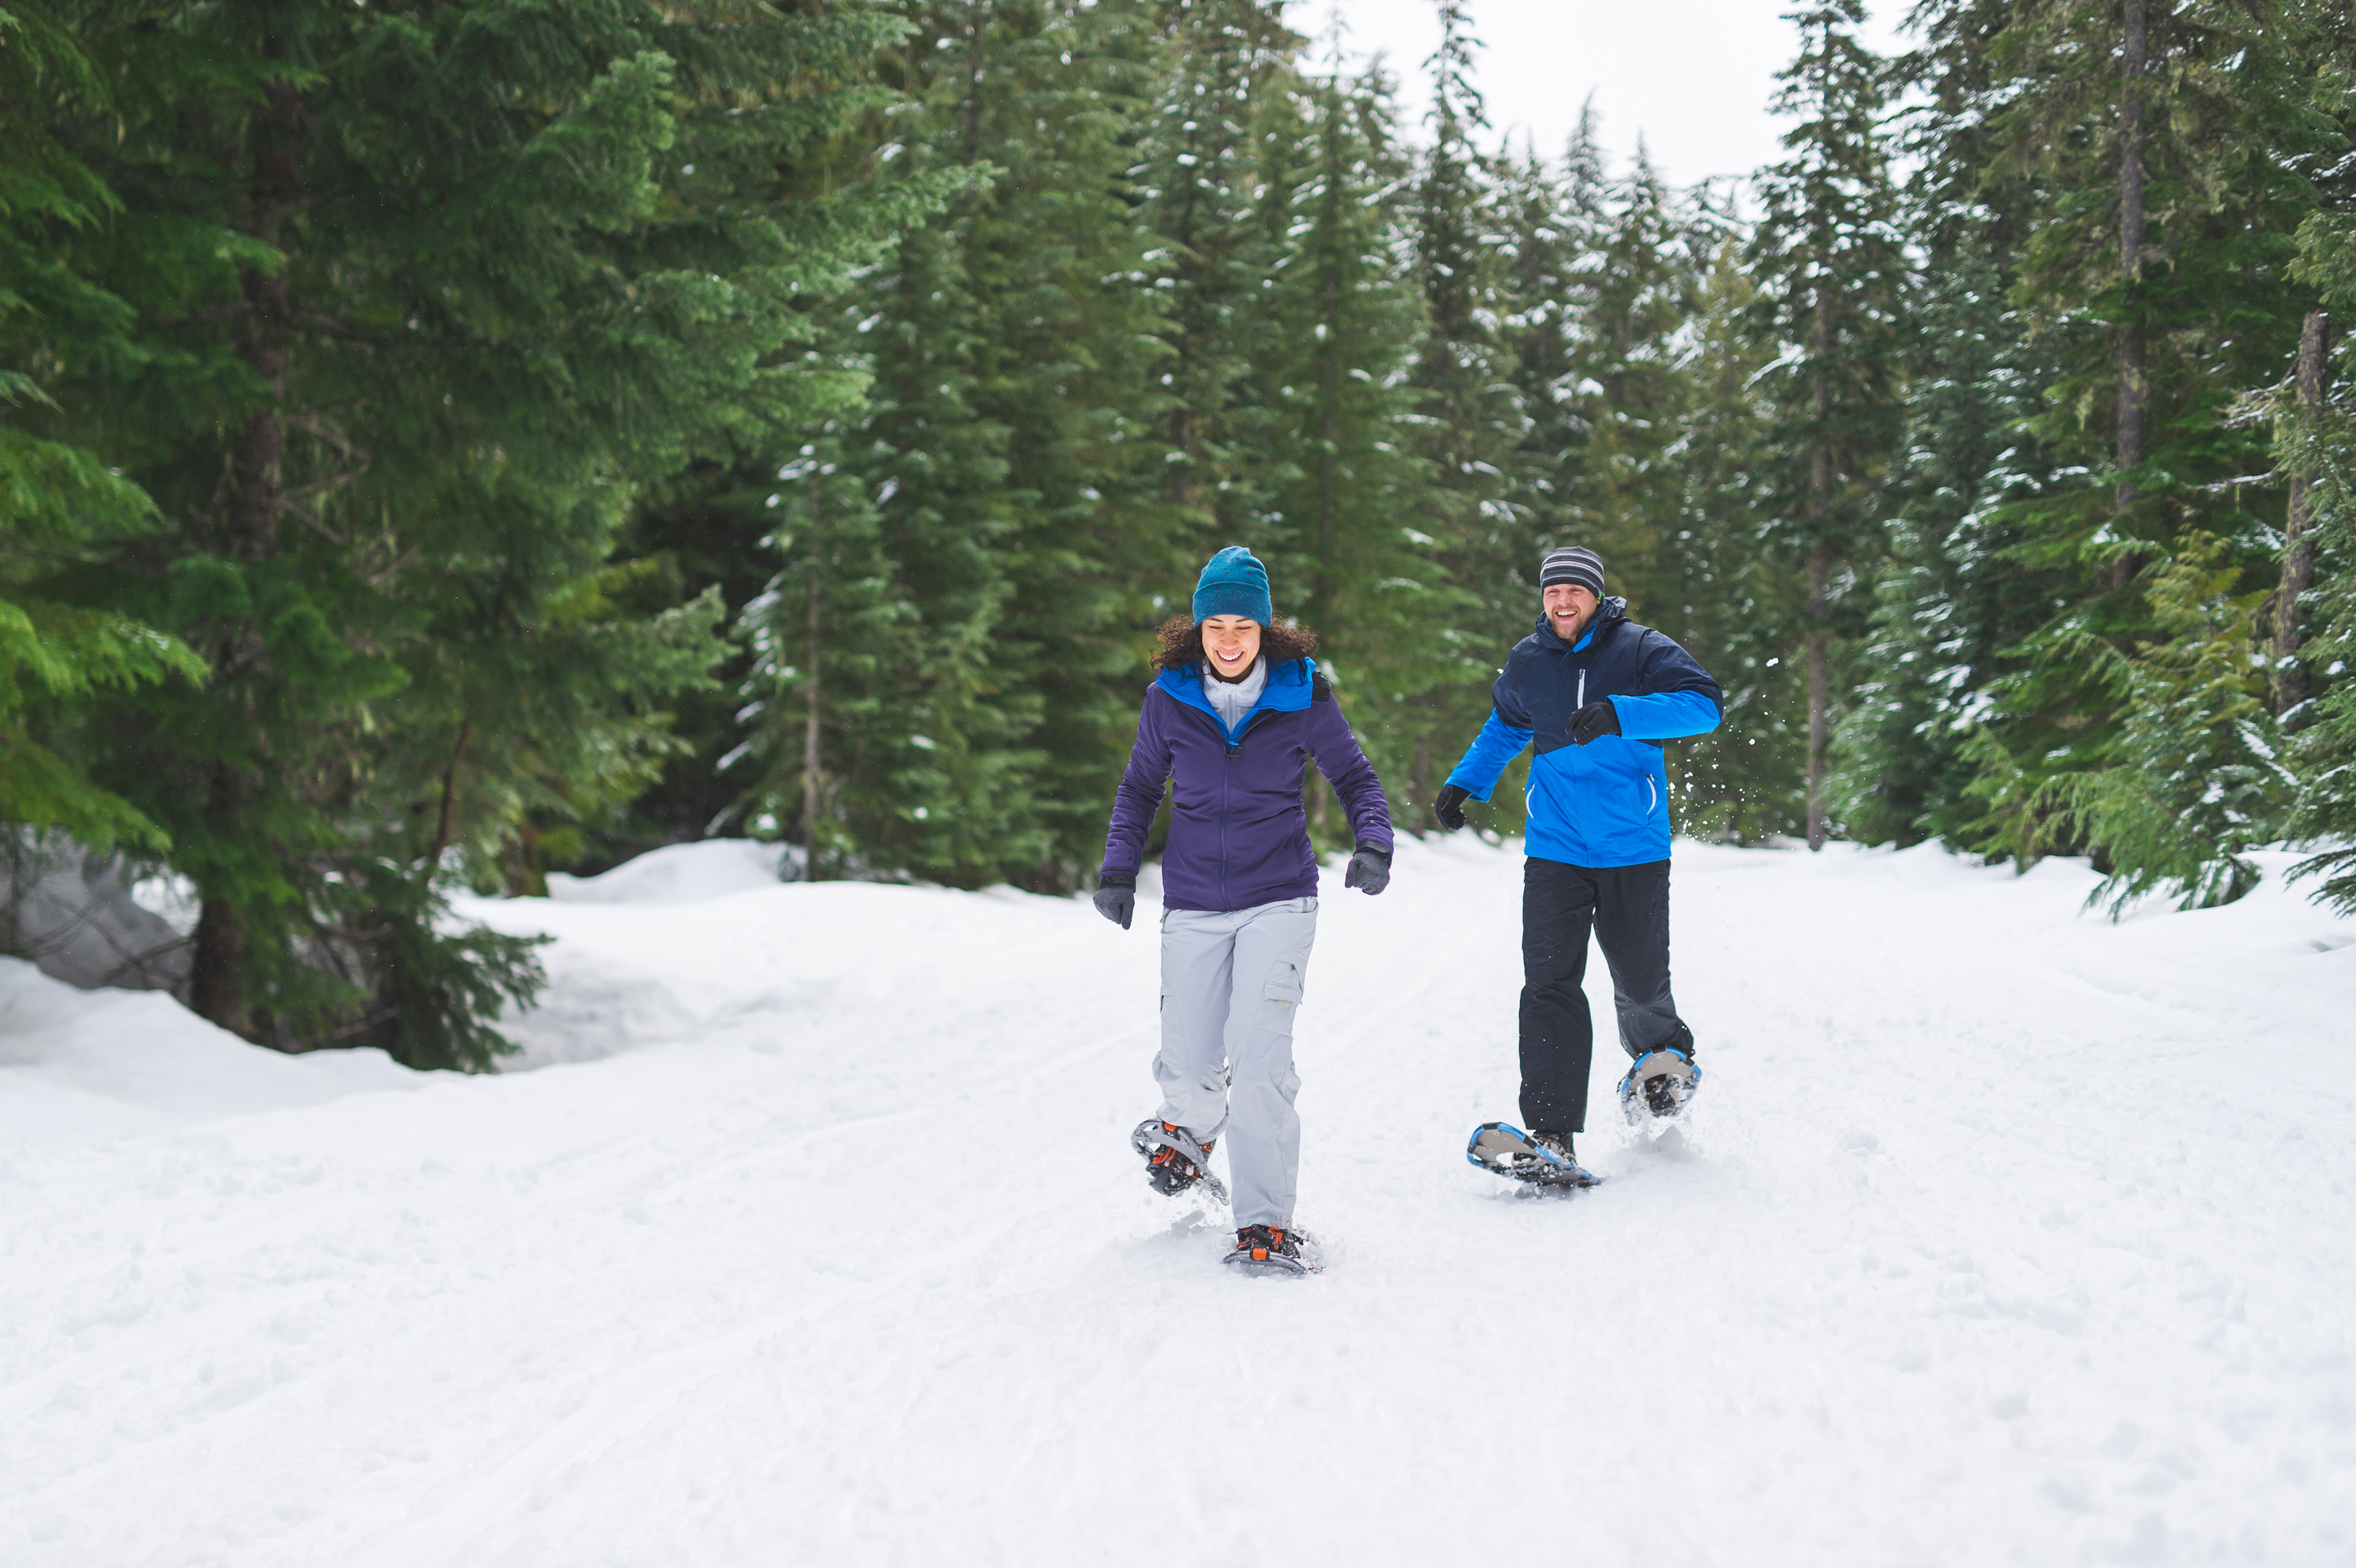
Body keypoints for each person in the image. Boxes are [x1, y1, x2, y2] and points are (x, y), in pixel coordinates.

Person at [1093, 545, 1393, 1273]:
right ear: (1198, 630)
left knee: (1259, 1061)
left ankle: (1265, 1222)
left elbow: (1355, 776)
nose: (1229, 641)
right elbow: (1139, 788)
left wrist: (1374, 843)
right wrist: (1118, 869)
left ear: (1266, 630)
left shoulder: (1302, 695)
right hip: (1193, 899)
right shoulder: (1169, 697)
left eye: (1244, 627)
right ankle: (1192, 1132)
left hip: (1280, 898)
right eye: (1216, 626)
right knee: (1189, 1059)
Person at [1433, 546, 1723, 1183]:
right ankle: (1552, 1134)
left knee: (1639, 980)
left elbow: (1705, 705)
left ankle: (1662, 1064)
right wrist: (1466, 782)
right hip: (1556, 847)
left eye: (1575, 591)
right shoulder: (1529, 659)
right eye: (1552, 592)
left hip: (1633, 844)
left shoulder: (1640, 648)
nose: (1563, 602)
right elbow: (1507, 726)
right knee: (1549, 984)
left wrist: (1623, 714)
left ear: (1596, 596)